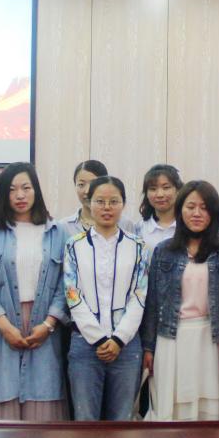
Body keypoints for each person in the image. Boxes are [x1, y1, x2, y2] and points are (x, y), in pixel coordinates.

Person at [0, 162, 69, 421]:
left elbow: (66, 284)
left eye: (26, 188)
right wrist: (5, 327)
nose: (20, 195)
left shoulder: (57, 232)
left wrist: (48, 324)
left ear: (36, 190)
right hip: (2, 324)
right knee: (3, 392)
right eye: (12, 189)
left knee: (43, 393)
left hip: (44, 324)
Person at [141, 180, 219, 421]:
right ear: (180, 210)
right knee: (171, 410)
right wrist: (148, 347)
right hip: (171, 338)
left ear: (214, 213)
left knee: (209, 415)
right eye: (190, 206)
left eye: (204, 208)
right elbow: (152, 302)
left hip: (212, 340)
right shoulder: (163, 251)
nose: (197, 213)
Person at [64, 176, 147, 421]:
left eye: (114, 201)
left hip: (126, 346)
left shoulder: (138, 247)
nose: (107, 207)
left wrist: (119, 339)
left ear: (124, 204)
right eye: (100, 201)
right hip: (85, 344)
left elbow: (140, 296)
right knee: (85, 419)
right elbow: (72, 295)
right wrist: (99, 338)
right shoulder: (74, 245)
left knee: (122, 421)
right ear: (89, 203)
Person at [136, 163, 183, 249]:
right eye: (153, 189)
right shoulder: (139, 229)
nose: (160, 195)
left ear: (178, 190)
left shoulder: (189, 226)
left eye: (166, 188)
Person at [59, 159, 109, 237]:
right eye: (81, 185)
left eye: (93, 184)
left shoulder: (123, 224)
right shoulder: (63, 227)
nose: (87, 191)